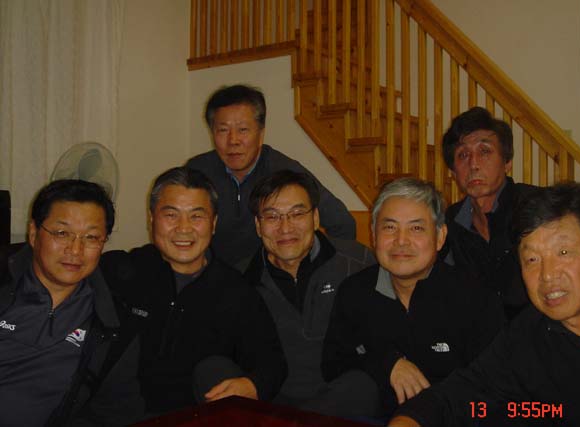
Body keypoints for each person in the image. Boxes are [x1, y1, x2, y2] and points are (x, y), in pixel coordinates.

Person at [389, 182, 580, 427]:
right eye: (532, 259)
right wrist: (409, 419)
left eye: (563, 253)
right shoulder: (524, 338)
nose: (547, 275)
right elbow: (460, 398)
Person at [100, 167, 286, 416]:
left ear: (214, 223)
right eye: (171, 215)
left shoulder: (236, 292)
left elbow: (272, 364)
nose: (183, 228)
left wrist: (252, 385)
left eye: (196, 216)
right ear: (151, 219)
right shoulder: (123, 271)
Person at [322, 178, 505, 418]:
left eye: (416, 228)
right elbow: (333, 365)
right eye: (390, 227)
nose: (401, 241)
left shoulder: (476, 299)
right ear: (374, 235)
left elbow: (491, 388)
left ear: (440, 237)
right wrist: (387, 363)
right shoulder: (354, 292)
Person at [0, 179, 142, 426]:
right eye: (62, 233)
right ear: (33, 233)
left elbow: (115, 413)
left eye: (91, 237)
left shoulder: (115, 329)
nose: (75, 250)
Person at [238, 169, 378, 417]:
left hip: (343, 400)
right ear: (258, 226)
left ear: (315, 217)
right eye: (272, 217)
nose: (285, 228)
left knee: (361, 385)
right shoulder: (240, 281)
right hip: (273, 404)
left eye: (297, 214)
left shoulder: (358, 262)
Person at [186, 84, 356, 266]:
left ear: (261, 132)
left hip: (266, 278)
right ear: (212, 133)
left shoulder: (285, 171)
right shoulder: (197, 172)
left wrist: (319, 271)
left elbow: (343, 224)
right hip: (214, 276)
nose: (233, 140)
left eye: (243, 129)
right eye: (223, 130)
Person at [441, 106, 538, 319]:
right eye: (463, 155)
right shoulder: (451, 222)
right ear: (453, 172)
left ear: (507, 163)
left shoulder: (537, 206)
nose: (473, 164)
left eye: (484, 151)